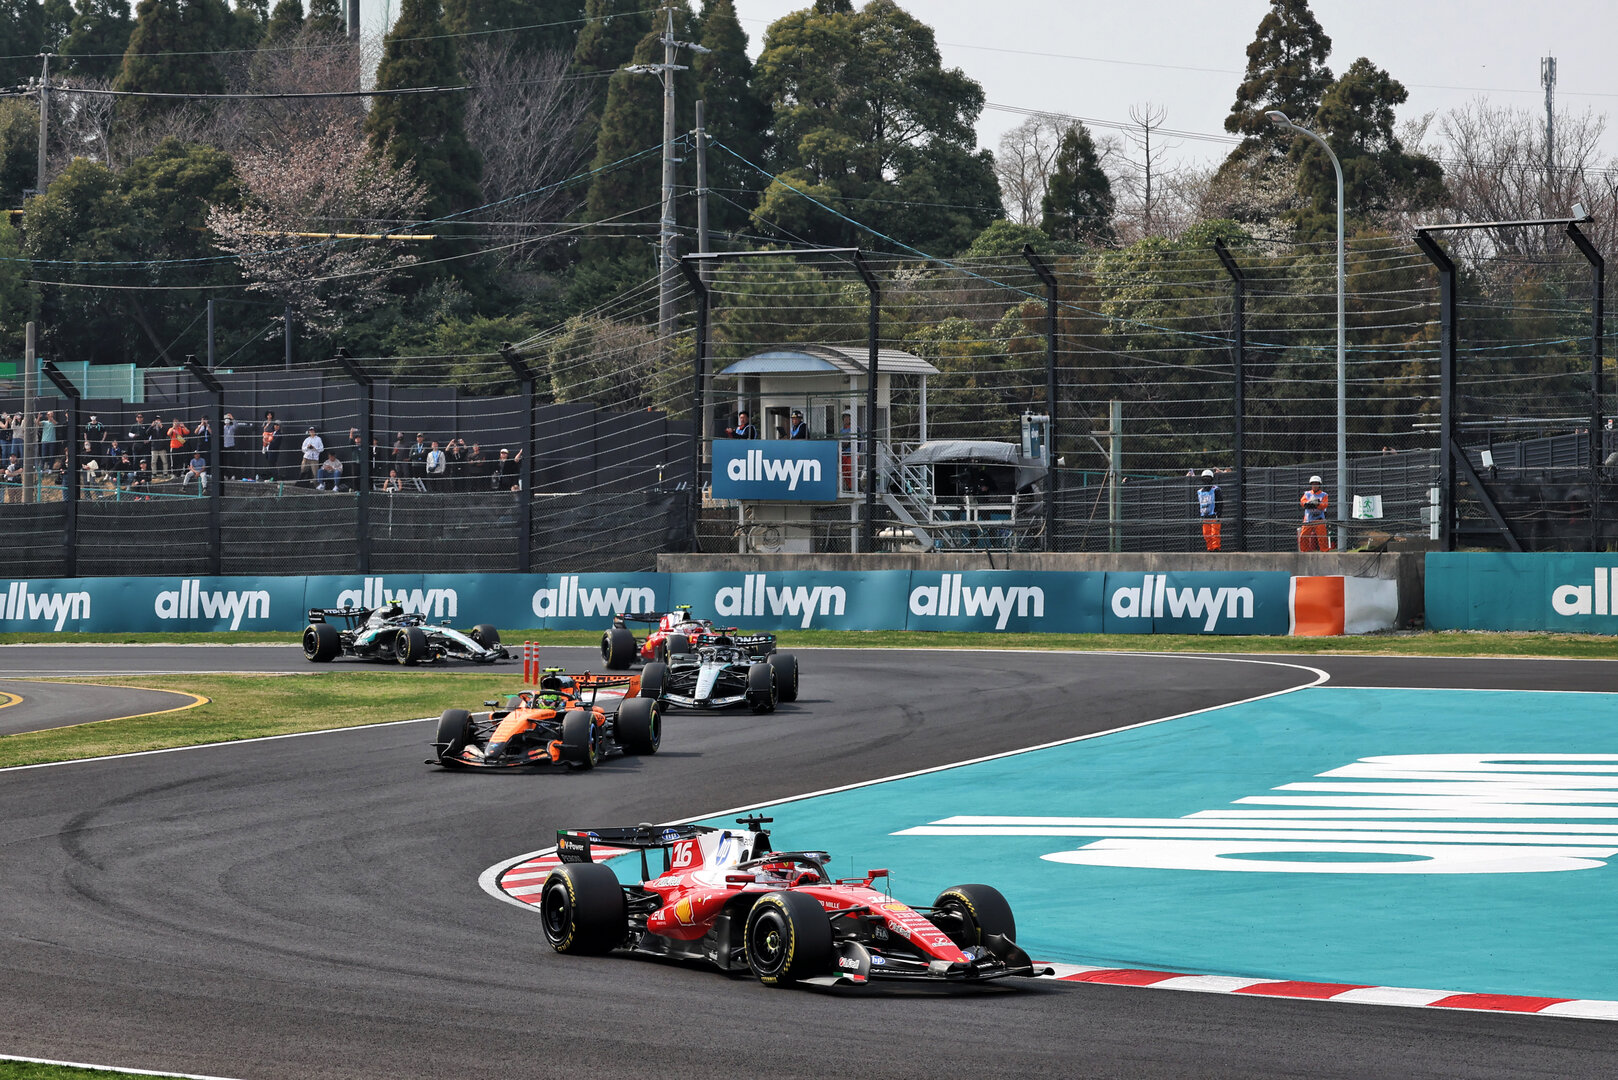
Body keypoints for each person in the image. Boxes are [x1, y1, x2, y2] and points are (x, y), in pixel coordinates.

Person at [1299, 474, 1330, 551]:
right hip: (1308, 519)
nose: (1315, 485)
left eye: (1316, 484)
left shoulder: (1324, 495)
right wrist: (1308, 503)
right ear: (1311, 485)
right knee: (1304, 536)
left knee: (1322, 536)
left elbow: (1324, 505)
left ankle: (1324, 551)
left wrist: (1316, 504)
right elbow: (1303, 502)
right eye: (1313, 484)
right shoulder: (1307, 494)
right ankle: (1304, 551)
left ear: (1319, 485)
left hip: (1319, 519)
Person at [1196, 469, 1222, 552]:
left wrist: (1219, 514)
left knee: (1215, 533)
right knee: (1206, 534)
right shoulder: (1200, 492)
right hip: (1205, 515)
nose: (1206, 480)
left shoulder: (1216, 490)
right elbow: (1199, 504)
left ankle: (1216, 548)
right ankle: (1210, 548)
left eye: (1208, 478)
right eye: (1204, 478)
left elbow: (1220, 503)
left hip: (1214, 514)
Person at [259, 411, 281, 481]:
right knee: (270, 464)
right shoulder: (273, 432)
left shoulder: (278, 434)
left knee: (272, 464)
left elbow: (274, 443)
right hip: (269, 449)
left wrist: (268, 443)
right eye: (275, 425)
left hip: (273, 451)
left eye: (277, 425)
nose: (275, 426)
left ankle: (275, 478)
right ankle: (272, 477)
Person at [221, 413, 238, 478]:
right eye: (226, 420)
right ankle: (226, 475)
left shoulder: (232, 427)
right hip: (225, 446)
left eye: (228, 420)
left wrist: (232, 418)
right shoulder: (223, 428)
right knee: (225, 461)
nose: (227, 421)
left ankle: (233, 475)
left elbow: (236, 426)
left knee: (232, 461)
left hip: (231, 446)